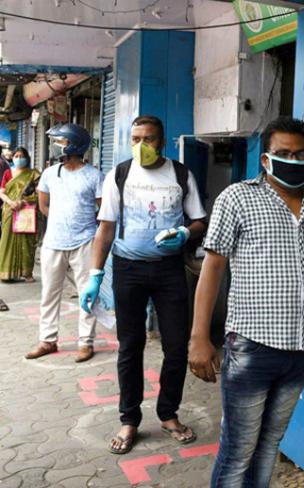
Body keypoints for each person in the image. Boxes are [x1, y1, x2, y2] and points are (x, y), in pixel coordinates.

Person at [189, 116, 304, 487]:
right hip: (251, 347)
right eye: (283, 154)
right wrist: (199, 337)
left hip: (300, 348)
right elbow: (212, 267)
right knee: (239, 449)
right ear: (265, 159)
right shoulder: (238, 198)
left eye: (300, 154)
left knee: (269, 444)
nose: (293, 160)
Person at [79, 115, 207, 455]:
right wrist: (95, 275)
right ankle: (129, 419)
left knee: (176, 346)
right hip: (128, 270)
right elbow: (106, 228)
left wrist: (185, 232)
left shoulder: (180, 174)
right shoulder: (119, 175)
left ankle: (168, 414)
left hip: (169, 271)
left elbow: (199, 220)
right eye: (135, 139)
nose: (140, 145)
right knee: (130, 346)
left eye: (148, 139)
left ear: (161, 142)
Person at [25, 124, 103, 363]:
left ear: (75, 145)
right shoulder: (50, 174)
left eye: (61, 142)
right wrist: (62, 221)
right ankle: (47, 341)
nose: (56, 146)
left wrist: (84, 227)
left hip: (85, 242)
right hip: (53, 242)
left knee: (86, 294)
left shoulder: (94, 175)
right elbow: (43, 205)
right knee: (49, 293)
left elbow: (103, 210)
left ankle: (86, 342)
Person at [0, 148, 40, 283]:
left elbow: (39, 193)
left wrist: (23, 201)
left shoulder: (33, 174)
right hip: (10, 211)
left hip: (26, 211)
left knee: (27, 241)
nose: (18, 158)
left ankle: (27, 273)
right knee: (7, 241)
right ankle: (6, 273)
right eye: (16, 156)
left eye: (21, 156)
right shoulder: (7, 173)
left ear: (27, 158)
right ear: (12, 158)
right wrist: (11, 202)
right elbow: (1, 192)